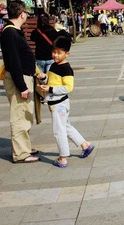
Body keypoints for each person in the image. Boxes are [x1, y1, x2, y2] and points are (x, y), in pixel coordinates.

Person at [36, 36, 94, 168]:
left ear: (67, 53)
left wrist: (50, 88)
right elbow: (51, 81)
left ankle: (63, 157)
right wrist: (44, 78)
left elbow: (68, 87)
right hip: (55, 103)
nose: (55, 55)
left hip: (60, 104)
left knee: (59, 130)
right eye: (54, 51)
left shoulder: (66, 69)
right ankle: (85, 145)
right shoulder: (53, 65)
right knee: (66, 127)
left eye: (59, 52)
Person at [1, 0, 39, 163]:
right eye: (26, 13)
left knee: (25, 115)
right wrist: (22, 86)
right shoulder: (10, 33)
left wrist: (37, 73)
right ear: (21, 13)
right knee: (19, 116)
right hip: (19, 79)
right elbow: (13, 62)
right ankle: (21, 153)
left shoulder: (14, 31)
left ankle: (24, 147)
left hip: (25, 77)